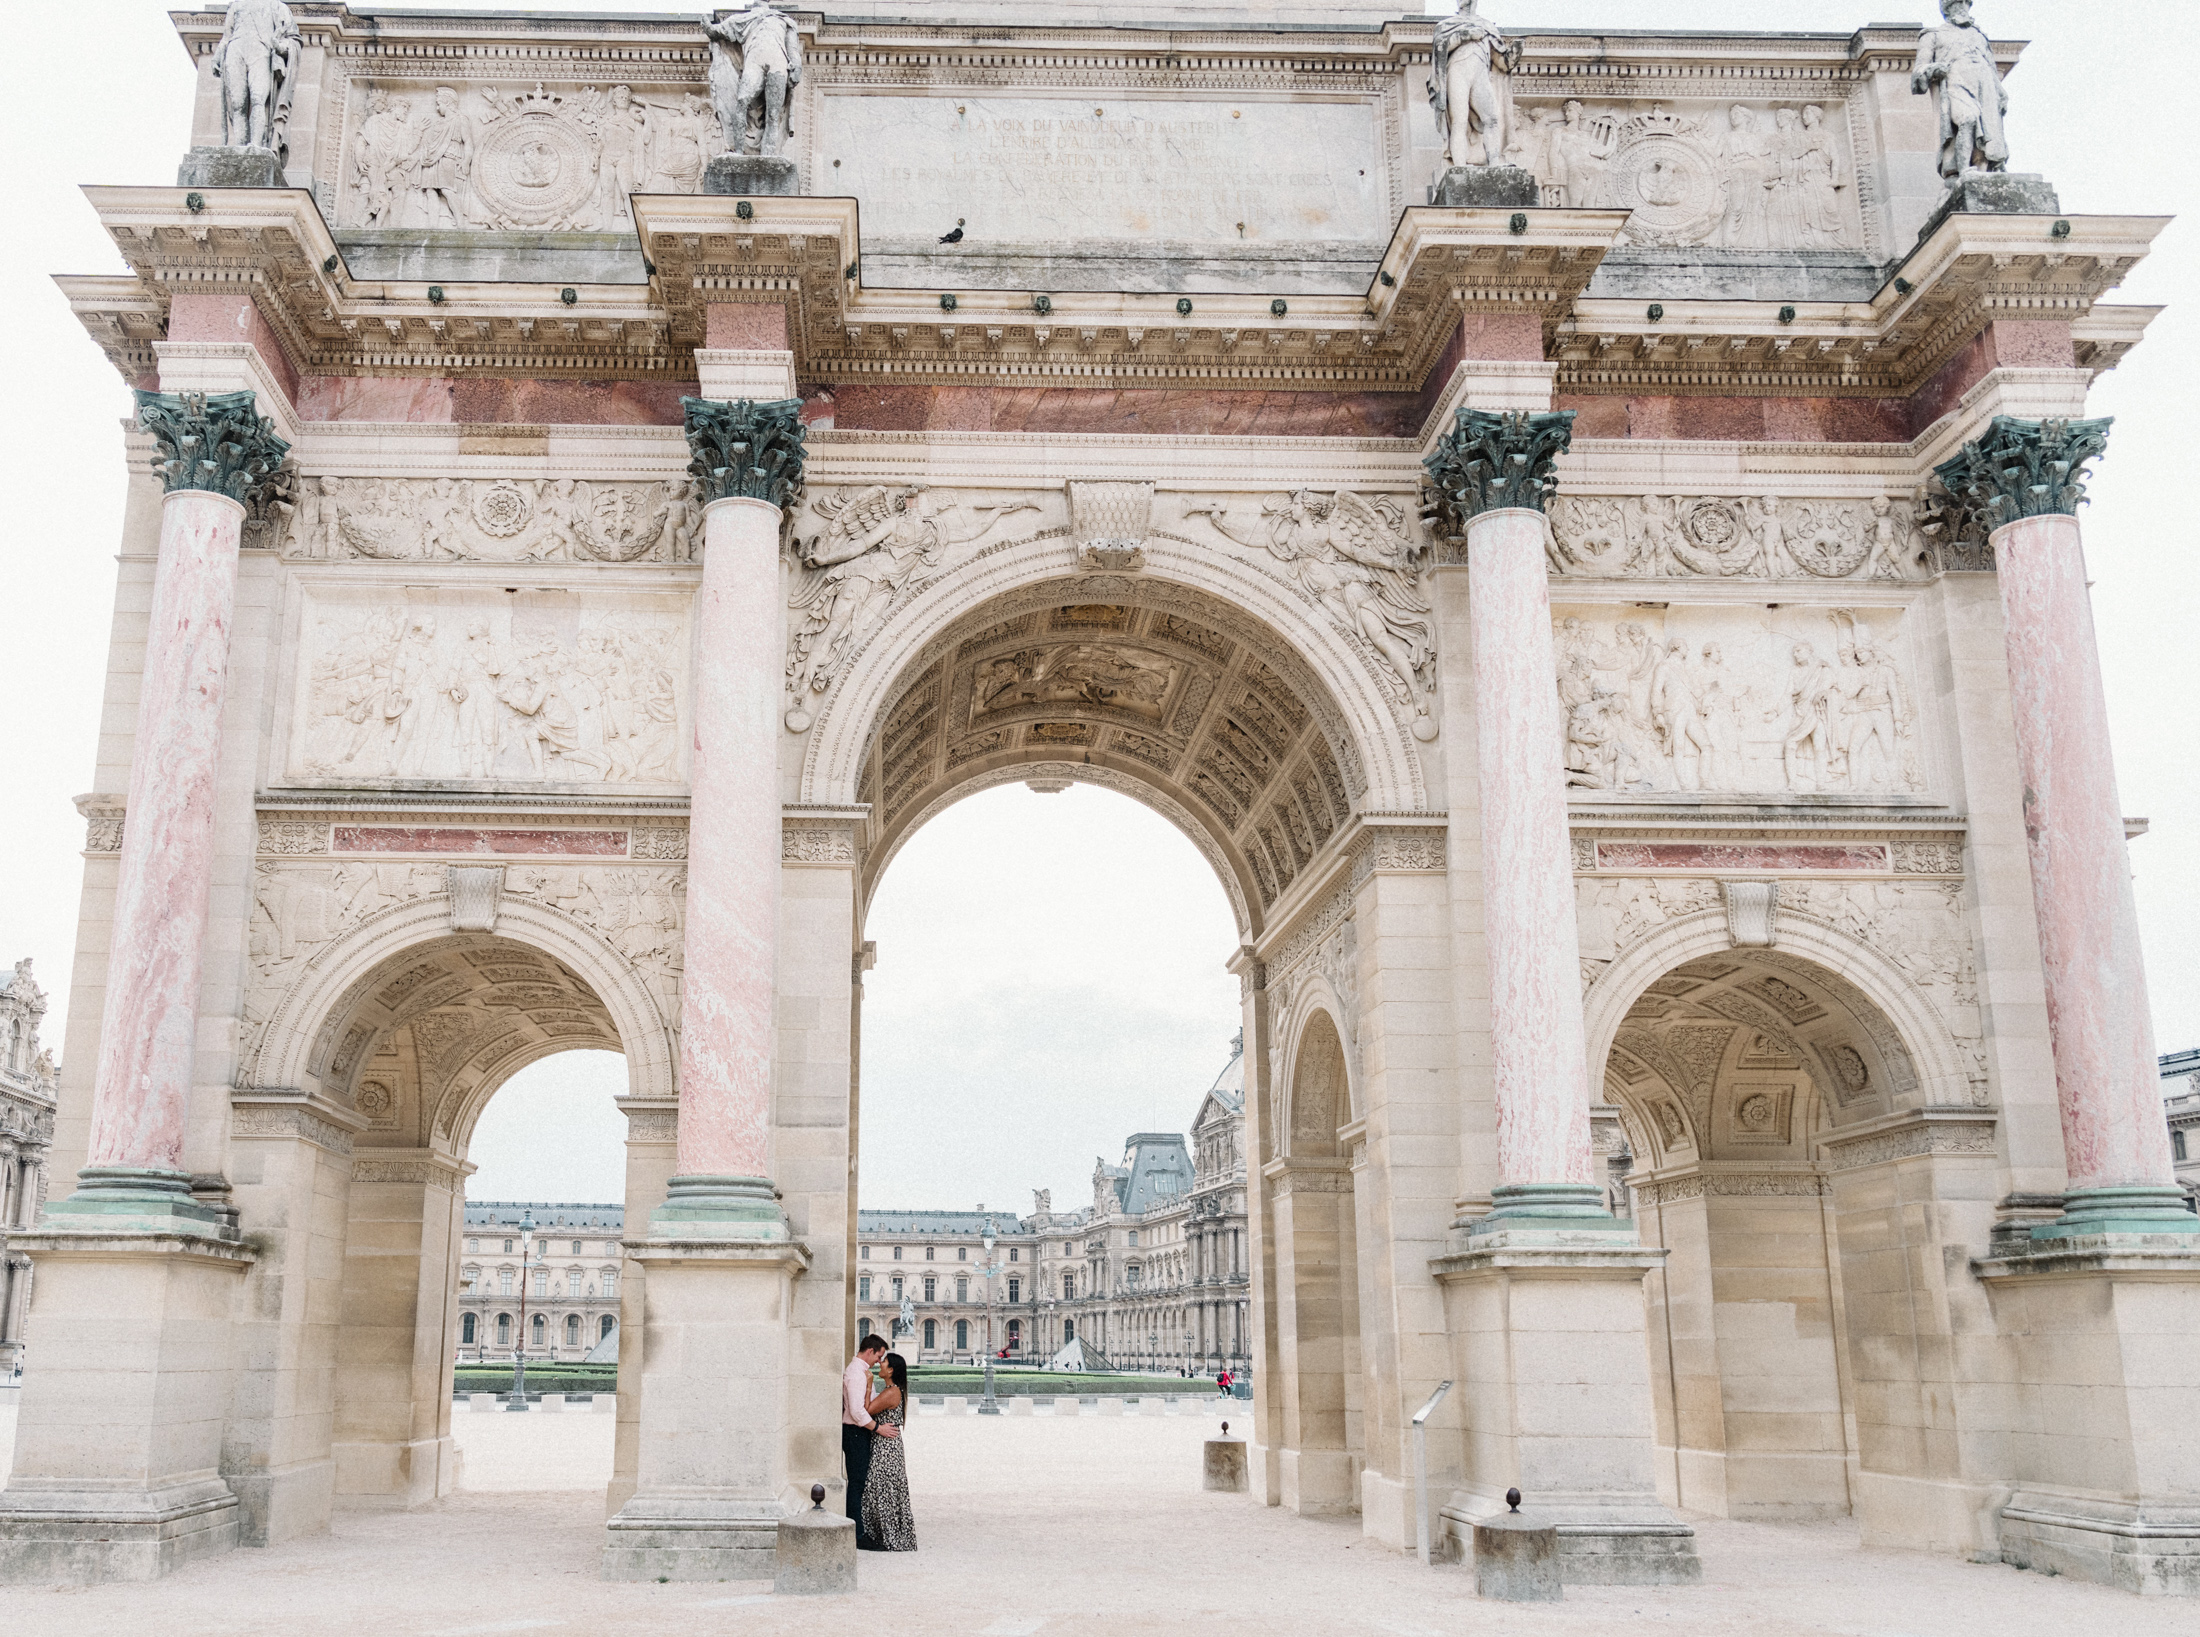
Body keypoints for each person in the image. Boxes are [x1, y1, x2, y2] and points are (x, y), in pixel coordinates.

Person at [860, 1351, 917, 1552]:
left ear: (891, 1370)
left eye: (883, 1362)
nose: (880, 1364)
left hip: (886, 1447)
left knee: (881, 1487)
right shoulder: (893, 1389)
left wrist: (868, 1385)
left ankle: (887, 1536)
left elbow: (865, 1410)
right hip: (887, 1444)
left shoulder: (892, 1391)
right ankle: (887, 1534)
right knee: (884, 1488)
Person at [842, 1334, 894, 1543]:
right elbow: (856, 1411)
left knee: (858, 1482)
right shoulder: (857, 1373)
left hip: (857, 1431)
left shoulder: (861, 1372)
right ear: (870, 1351)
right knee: (857, 1483)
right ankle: (857, 1534)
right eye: (879, 1356)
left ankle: (858, 1530)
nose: (879, 1361)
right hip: (856, 1432)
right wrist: (878, 1428)